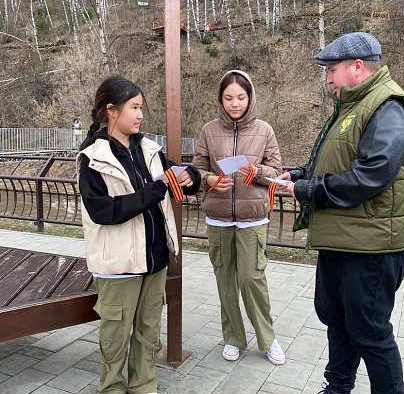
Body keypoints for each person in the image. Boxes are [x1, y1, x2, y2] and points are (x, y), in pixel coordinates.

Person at [276, 32, 404, 394]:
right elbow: (338, 162)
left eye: (332, 70)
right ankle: (338, 387)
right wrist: (299, 175)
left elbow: (371, 174)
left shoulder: (388, 106)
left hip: (371, 247)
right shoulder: (354, 106)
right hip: (345, 241)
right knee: (338, 322)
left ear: (358, 67)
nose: (327, 79)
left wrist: (309, 191)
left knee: (370, 332)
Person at [77, 75, 201, 394]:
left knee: (148, 332)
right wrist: (154, 190)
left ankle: (144, 385)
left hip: (154, 259)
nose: (140, 114)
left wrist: (192, 175)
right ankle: (113, 388)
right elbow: (103, 211)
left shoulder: (148, 149)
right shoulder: (93, 158)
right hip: (118, 266)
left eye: (141, 107)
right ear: (111, 110)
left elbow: (173, 174)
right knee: (115, 337)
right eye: (134, 107)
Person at [192, 70, 286, 365]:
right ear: (220, 100)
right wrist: (209, 181)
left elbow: (277, 171)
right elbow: (197, 169)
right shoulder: (209, 130)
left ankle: (267, 339)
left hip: (252, 219)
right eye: (228, 97)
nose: (235, 103)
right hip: (219, 219)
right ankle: (233, 337)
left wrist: (257, 173)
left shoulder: (265, 130)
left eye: (241, 97)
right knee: (226, 282)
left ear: (250, 98)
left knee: (251, 278)